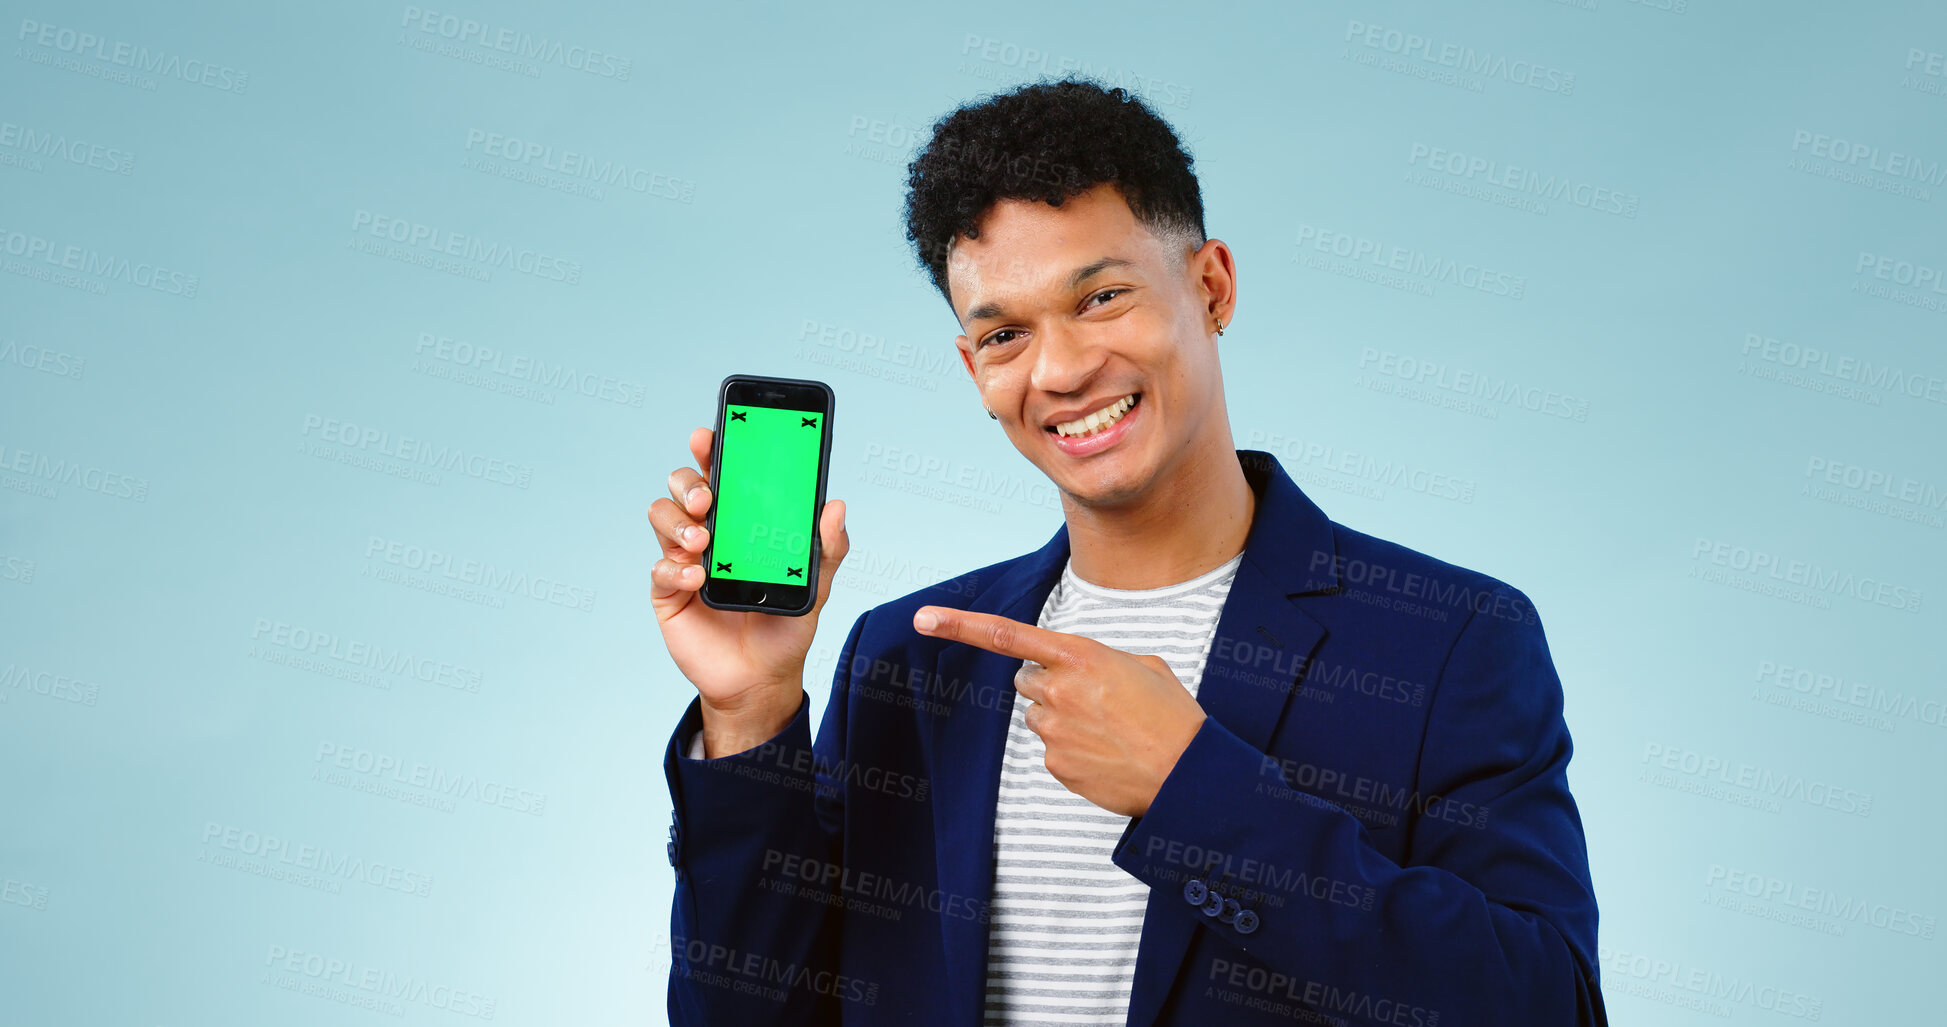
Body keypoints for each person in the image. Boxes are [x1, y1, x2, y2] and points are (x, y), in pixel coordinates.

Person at [648, 77, 1606, 1027]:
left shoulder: (1447, 639)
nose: (1059, 371)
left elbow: (1544, 1005)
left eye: (1101, 297)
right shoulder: (909, 659)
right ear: (972, 368)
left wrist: (1194, 788)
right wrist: (749, 712)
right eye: (1005, 334)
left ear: (1211, 285)